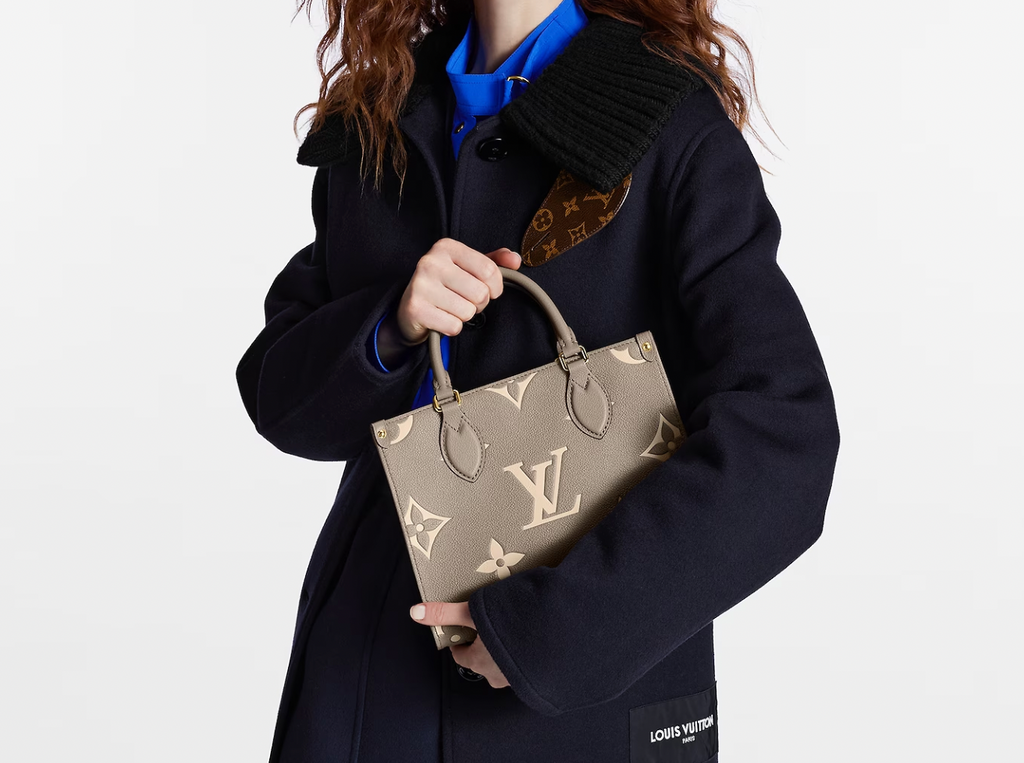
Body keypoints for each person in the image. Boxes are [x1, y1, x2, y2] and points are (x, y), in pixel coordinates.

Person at [234, 0, 841, 761]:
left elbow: (785, 439)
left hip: (575, 708)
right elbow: (281, 398)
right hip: (368, 677)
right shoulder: (380, 116)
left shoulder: (666, 119)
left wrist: (547, 630)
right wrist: (391, 326)